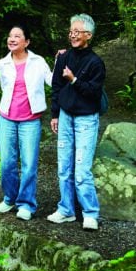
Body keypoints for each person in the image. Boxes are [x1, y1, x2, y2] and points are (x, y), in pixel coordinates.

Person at [47, 13, 106, 231]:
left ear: (88, 35)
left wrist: (74, 80)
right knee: (64, 166)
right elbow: (55, 85)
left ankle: (90, 213)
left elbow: (93, 93)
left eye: (77, 32)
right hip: (65, 116)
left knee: (81, 169)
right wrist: (54, 114)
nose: (72, 35)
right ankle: (66, 210)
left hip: (86, 119)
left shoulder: (96, 63)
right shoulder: (63, 57)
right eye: (71, 31)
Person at [0, 23, 53, 221]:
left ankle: (26, 204)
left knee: (29, 164)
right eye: (10, 36)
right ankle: (10, 197)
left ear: (26, 42)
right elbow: (5, 88)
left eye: (17, 36)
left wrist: (63, 62)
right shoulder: (3, 63)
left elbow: (53, 81)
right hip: (6, 119)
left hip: (30, 120)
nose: (12, 39)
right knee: (7, 163)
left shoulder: (38, 61)